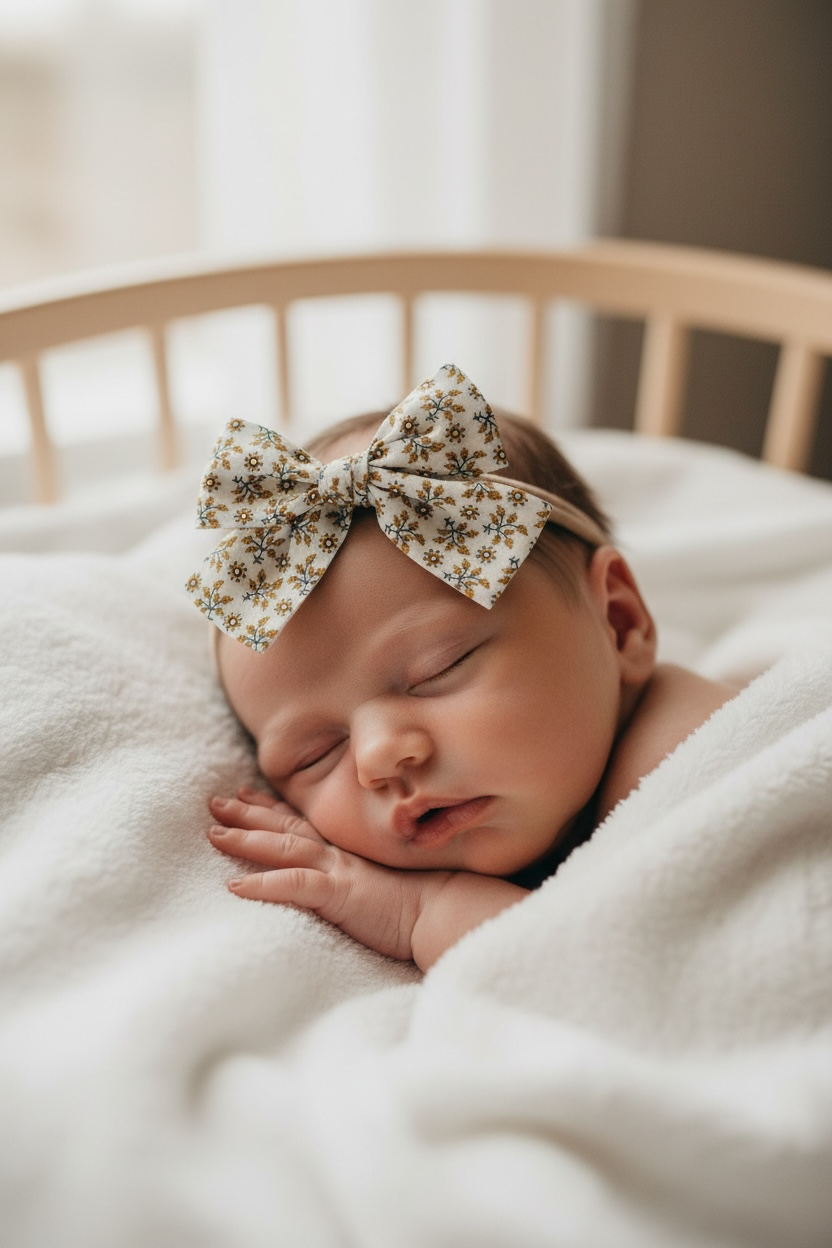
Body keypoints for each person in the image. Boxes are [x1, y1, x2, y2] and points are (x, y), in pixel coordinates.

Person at [189, 364, 736, 971]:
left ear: (621, 622)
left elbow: (622, 973)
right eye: (314, 754)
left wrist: (419, 912)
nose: (377, 756)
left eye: (438, 670)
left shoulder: (696, 758)